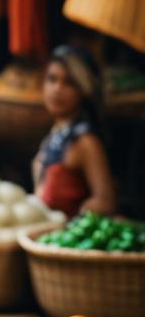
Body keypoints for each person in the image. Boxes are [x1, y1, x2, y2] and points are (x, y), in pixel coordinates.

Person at [34, 44, 116, 217]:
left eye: (69, 83)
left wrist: (72, 223)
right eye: (52, 79)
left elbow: (105, 202)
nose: (57, 89)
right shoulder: (56, 133)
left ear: (83, 89)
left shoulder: (85, 140)